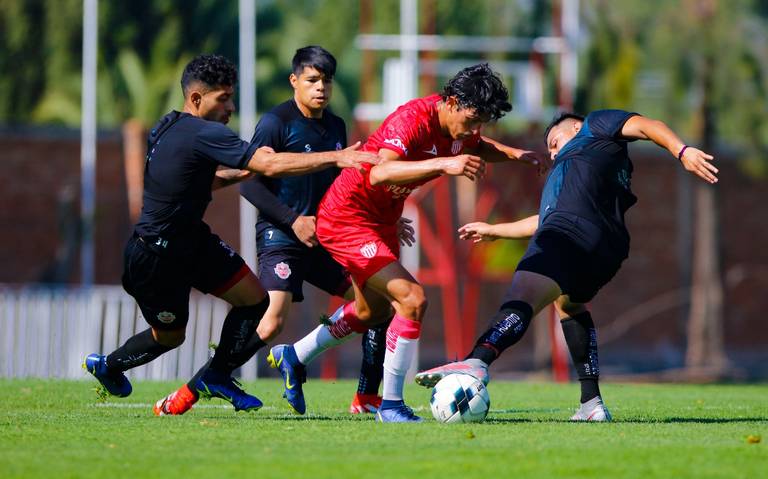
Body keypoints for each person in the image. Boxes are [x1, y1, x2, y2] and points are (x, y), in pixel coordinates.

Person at [83, 54, 377, 412]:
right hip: (156, 256)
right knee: (171, 337)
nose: (231, 107)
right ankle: (110, 366)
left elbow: (199, 179)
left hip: (194, 242)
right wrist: (337, 158)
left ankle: (217, 376)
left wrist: (240, 175)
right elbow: (269, 162)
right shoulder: (206, 132)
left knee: (255, 300)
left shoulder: (168, 125)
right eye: (223, 99)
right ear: (196, 99)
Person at [267, 63, 544, 422]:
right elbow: (380, 172)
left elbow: (478, 144)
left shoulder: (460, 127)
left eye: (482, 122)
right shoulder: (413, 119)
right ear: (453, 102)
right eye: (474, 118)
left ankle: (295, 355)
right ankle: (392, 404)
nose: (476, 129)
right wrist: (445, 164)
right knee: (413, 299)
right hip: (348, 218)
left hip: (381, 221)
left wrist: (517, 155)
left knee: (372, 312)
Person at [414, 109, 719, 421]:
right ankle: (592, 404)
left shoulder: (593, 126)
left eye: (554, 141)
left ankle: (477, 360)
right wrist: (495, 230)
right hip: (605, 249)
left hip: (572, 232)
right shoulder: (577, 172)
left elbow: (647, 124)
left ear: (574, 126)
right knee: (569, 304)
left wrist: (681, 150)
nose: (552, 151)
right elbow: (545, 221)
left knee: (523, 293)